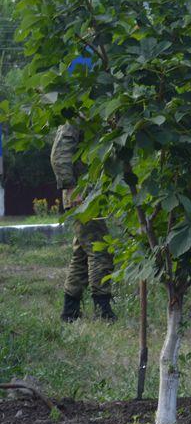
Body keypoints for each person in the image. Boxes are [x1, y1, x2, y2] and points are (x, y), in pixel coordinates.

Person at [50, 123, 115, 322]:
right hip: (81, 195)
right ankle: (103, 311)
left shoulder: (91, 115)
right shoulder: (75, 117)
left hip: (89, 193)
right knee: (99, 249)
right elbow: (58, 154)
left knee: (82, 253)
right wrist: (70, 186)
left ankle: (70, 311)